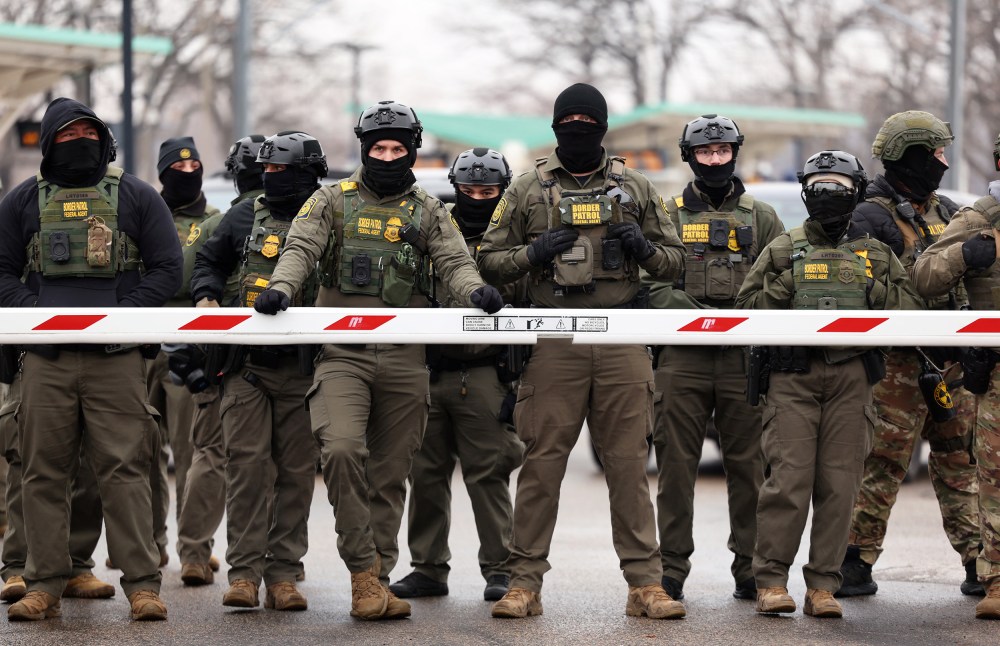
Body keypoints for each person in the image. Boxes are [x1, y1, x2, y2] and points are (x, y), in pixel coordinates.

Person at [252, 101, 504, 621]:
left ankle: (379, 581)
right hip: (342, 355)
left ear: (411, 151)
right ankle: (363, 571)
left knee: (390, 476)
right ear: (365, 150)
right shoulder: (331, 201)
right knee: (342, 451)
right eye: (379, 148)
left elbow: (455, 261)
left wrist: (476, 291)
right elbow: (299, 248)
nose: (387, 157)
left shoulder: (428, 210)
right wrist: (281, 287)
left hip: (406, 358)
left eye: (397, 149)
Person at [477, 82, 687, 620]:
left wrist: (642, 246)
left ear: (602, 128)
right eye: (567, 121)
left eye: (586, 122)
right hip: (555, 340)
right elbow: (488, 262)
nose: (577, 129)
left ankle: (646, 583)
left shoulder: (635, 185)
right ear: (554, 128)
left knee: (627, 464)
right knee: (542, 464)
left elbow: (674, 262)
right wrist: (532, 253)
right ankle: (523, 582)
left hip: (620, 337)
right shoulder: (527, 188)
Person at [0, 97, 181, 621]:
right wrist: (35, 313)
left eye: (87, 132)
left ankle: (143, 585)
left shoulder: (137, 196)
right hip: (46, 360)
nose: (78, 141)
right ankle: (44, 585)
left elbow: (167, 269)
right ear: (49, 142)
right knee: (42, 474)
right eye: (66, 134)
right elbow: (3, 273)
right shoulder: (21, 202)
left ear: (104, 140)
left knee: (125, 470)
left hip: (116, 359)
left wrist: (124, 315)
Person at [735, 150, 922, 618]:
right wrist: (786, 287)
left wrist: (870, 290)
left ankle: (823, 585)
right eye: (818, 185)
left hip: (851, 377)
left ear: (855, 191)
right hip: (792, 377)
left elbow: (911, 314)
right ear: (805, 192)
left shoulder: (876, 254)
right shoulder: (783, 247)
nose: (827, 194)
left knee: (840, 485)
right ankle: (772, 582)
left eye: (838, 185)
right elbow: (745, 308)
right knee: (788, 481)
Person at [840, 110, 980, 598]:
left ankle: (978, 560)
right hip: (897, 364)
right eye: (936, 153)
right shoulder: (869, 215)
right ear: (912, 155)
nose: (943, 162)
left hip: (951, 360)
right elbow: (876, 288)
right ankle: (854, 559)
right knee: (884, 460)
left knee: (961, 460)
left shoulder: (944, 210)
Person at [649, 114, 784, 603]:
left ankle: (749, 568)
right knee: (675, 469)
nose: (714, 160)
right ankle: (670, 571)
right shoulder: (664, 215)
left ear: (735, 153)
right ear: (690, 157)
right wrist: (696, 317)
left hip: (741, 360)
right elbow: (651, 284)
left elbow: (780, 283)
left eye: (722, 151)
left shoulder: (762, 216)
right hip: (681, 358)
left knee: (749, 468)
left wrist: (742, 321)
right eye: (705, 153)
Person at [192, 131, 327, 610]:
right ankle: (244, 574)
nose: (271, 179)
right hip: (246, 366)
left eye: (282, 172)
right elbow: (208, 259)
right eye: (266, 171)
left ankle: (284, 575)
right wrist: (207, 296)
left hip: (304, 369)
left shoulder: (330, 215)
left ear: (309, 174)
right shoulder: (244, 215)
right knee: (247, 470)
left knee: (295, 474)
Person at [390, 148, 524, 603]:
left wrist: (518, 388)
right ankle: (428, 567)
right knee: (425, 473)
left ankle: (501, 569)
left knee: (489, 473)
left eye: (488, 192)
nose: (477, 199)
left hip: (487, 372)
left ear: (502, 192)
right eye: (468, 191)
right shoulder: (430, 227)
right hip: (429, 369)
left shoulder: (514, 236)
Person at [910, 131, 1000, 619]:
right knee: (993, 480)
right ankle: (998, 579)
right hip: (996, 372)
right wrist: (965, 255)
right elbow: (924, 277)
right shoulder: (981, 218)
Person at [174, 134, 267, 586]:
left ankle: (194, 554)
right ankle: (280, 561)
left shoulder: (219, 223)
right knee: (280, 458)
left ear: (235, 174)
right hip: (284, 359)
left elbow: (182, 284)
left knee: (210, 452)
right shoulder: (306, 214)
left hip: (221, 357)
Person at [143, 136, 222, 569]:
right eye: (177, 169)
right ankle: (151, 544)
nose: (186, 176)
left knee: (191, 450)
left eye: (194, 170)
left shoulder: (214, 219)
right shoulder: (144, 214)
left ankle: (197, 545)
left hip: (190, 343)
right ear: (162, 173)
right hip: (142, 341)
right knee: (143, 451)